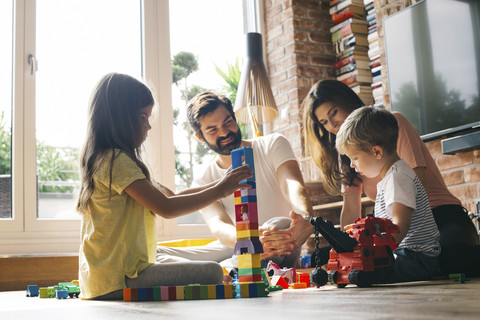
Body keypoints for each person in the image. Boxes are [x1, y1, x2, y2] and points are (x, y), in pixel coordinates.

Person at [76, 73, 253, 300]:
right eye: (143, 117)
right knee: (212, 271)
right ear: (120, 118)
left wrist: (223, 182)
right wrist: (221, 189)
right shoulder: (115, 160)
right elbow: (167, 208)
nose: (148, 126)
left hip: (111, 276)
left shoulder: (111, 159)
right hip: (120, 278)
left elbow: (171, 195)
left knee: (200, 268)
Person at [302, 79, 479, 275]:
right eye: (324, 122)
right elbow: (351, 208)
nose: (332, 124)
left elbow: (420, 189)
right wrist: (348, 248)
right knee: (331, 257)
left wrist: (393, 244)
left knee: (445, 260)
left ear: (347, 101)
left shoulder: (392, 124)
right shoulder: (348, 155)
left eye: (333, 112)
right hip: (398, 230)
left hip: (439, 217)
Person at [156, 92, 314, 268]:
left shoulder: (272, 144)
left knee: (280, 223)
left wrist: (305, 217)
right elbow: (220, 226)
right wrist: (248, 239)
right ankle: (224, 268)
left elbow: (292, 185)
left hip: (279, 238)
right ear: (200, 137)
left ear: (235, 119)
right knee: (155, 253)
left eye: (227, 122)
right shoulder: (203, 179)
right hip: (238, 243)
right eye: (212, 129)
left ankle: (224, 270)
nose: (224, 132)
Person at [335, 106, 440, 282]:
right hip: (406, 253)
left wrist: (378, 253)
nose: (353, 165)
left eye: (355, 158)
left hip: (416, 257)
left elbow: (400, 225)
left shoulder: (398, 178)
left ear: (376, 151)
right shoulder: (392, 176)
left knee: (374, 268)